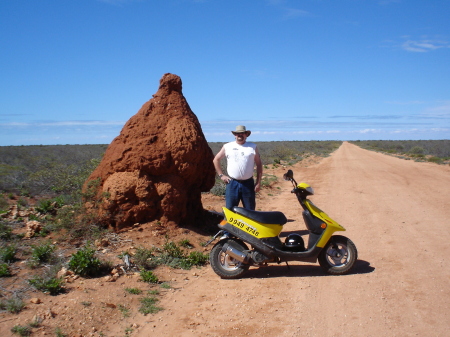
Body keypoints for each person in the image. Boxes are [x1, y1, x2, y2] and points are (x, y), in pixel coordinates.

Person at [213, 125, 262, 211]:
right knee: (230, 210)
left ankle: (249, 225)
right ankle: (230, 225)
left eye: (242, 133)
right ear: (235, 135)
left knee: (250, 210)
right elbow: (216, 160)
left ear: (246, 135)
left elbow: (259, 164)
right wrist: (221, 175)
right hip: (232, 183)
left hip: (248, 184)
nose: (240, 135)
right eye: (237, 133)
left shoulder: (253, 147)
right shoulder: (227, 146)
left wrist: (258, 182)